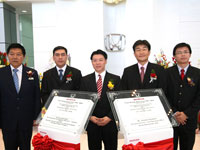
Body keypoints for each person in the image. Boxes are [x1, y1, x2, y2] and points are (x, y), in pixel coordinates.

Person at [0, 43, 41, 150]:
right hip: (7, 120)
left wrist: (36, 117)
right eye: (12, 54)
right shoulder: (1, 73)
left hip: (26, 120)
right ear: (7, 56)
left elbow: (36, 96)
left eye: (18, 54)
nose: (15, 57)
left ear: (23, 56)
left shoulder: (32, 73)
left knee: (25, 147)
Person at [80, 50, 120, 150]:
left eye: (100, 60)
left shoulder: (116, 79)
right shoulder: (84, 80)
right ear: (91, 62)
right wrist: (90, 117)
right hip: (92, 123)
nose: (98, 63)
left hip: (110, 123)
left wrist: (109, 117)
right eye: (95, 60)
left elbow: (118, 101)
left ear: (105, 61)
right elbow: (83, 101)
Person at [166, 42, 200, 150]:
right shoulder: (167, 73)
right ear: (174, 57)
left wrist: (186, 114)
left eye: (185, 52)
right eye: (179, 53)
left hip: (189, 120)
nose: (183, 55)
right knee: (170, 147)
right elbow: (164, 95)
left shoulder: (197, 73)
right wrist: (175, 112)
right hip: (171, 119)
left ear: (190, 54)